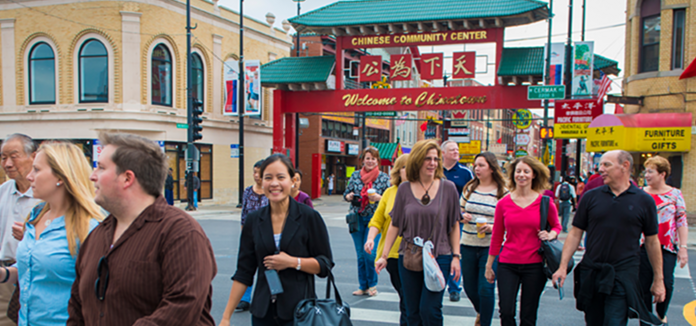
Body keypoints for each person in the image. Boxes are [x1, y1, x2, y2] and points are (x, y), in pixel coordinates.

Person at [67, 133, 217, 325]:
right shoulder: (97, 236)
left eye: (101, 168)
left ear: (127, 178)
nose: (92, 176)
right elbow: (77, 306)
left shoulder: (181, 233)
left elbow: (181, 306)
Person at [552, 150, 665, 326]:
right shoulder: (591, 197)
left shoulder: (644, 201)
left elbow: (652, 241)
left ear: (625, 166)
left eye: (607, 164)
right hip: (593, 272)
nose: (601, 168)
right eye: (601, 164)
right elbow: (575, 233)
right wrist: (562, 267)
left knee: (614, 321)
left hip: (623, 273)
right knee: (594, 321)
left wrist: (658, 279)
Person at [219, 154, 333, 326]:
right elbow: (244, 272)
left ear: (293, 180)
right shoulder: (254, 220)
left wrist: (293, 262)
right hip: (262, 312)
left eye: (281, 177)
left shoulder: (309, 217)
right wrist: (226, 317)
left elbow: (325, 265)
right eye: (268, 178)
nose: (274, 183)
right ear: (261, 181)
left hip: (300, 313)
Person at [0, 142, 103, 326]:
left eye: (37, 170)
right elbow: (34, 267)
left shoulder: (89, 228)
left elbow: (99, 293)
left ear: (61, 176)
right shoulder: (36, 215)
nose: (29, 177)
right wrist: (5, 274)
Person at [376, 139, 462, 326]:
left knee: (430, 309)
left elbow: (454, 225)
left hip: (440, 255)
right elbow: (395, 224)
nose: (432, 163)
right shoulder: (405, 189)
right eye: (427, 159)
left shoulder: (448, 188)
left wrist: (456, 256)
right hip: (409, 256)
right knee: (412, 311)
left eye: (436, 159)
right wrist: (384, 255)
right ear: (417, 160)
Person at [485, 156, 560, 326]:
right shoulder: (503, 204)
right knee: (506, 311)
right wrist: (489, 265)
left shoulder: (545, 203)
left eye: (526, 171)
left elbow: (556, 226)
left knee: (528, 313)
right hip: (507, 263)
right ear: (513, 175)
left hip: (534, 264)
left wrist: (551, 235)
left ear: (534, 175)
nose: (522, 175)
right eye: (518, 171)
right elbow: (497, 236)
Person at [638, 156, 687, 325]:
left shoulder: (675, 194)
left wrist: (683, 247)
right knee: (643, 284)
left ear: (662, 174)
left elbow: (681, 222)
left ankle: (661, 314)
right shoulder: (640, 193)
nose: (647, 175)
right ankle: (645, 320)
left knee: (666, 282)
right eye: (646, 171)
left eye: (650, 171)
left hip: (666, 246)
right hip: (642, 246)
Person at [459, 152, 507, 326]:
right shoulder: (469, 188)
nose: (476, 169)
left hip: (491, 246)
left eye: (481, 165)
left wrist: (493, 227)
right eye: (475, 165)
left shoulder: (503, 192)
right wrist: (462, 216)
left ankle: (485, 322)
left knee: (486, 288)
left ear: (492, 168)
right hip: (468, 243)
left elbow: (509, 220)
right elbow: (458, 210)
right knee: (470, 288)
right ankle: (481, 311)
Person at [364, 154, 409, 326]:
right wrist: (370, 239)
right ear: (398, 171)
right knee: (404, 294)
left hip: (414, 253)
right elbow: (377, 220)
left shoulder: (420, 191)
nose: (407, 170)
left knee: (408, 297)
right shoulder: (390, 192)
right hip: (391, 254)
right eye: (404, 167)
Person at [0, 133, 41, 326]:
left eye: (13, 156)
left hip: (35, 273)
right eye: (3, 157)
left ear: (33, 156)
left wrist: (30, 236)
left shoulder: (46, 194)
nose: (7, 164)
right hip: (5, 274)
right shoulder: (3, 191)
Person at [344, 147, 390, 297]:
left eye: (373, 158)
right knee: (360, 255)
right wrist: (349, 196)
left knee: (370, 254)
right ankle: (363, 285)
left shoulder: (383, 178)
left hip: (374, 219)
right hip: (357, 218)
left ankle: (373, 284)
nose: (370, 161)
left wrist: (379, 198)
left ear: (377, 161)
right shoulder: (356, 175)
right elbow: (346, 193)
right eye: (367, 158)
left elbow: (389, 199)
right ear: (363, 160)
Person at [441, 140, 474, 301]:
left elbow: (471, 194)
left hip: (458, 219)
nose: (456, 152)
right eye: (452, 150)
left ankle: (454, 288)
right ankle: (438, 283)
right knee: (438, 251)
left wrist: (465, 212)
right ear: (443, 153)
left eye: (457, 149)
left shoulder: (465, 173)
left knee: (455, 252)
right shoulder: (435, 171)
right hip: (437, 219)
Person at [237, 160, 269, 313]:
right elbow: (244, 214)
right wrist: (243, 235)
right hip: (250, 236)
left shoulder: (271, 192)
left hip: (267, 237)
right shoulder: (248, 191)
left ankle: (270, 296)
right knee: (246, 268)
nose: (256, 175)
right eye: (254, 172)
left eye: (259, 172)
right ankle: (244, 299)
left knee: (268, 269)